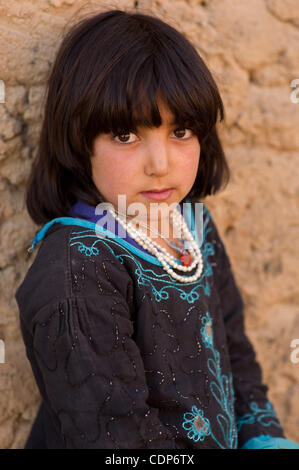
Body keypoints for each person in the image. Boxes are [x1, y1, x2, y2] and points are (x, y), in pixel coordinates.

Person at [15, 8, 299, 450]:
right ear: (78, 140)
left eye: (181, 131)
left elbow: (235, 360)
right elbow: (116, 437)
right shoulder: (75, 270)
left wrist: (265, 440)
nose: (160, 164)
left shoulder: (194, 230)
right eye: (126, 135)